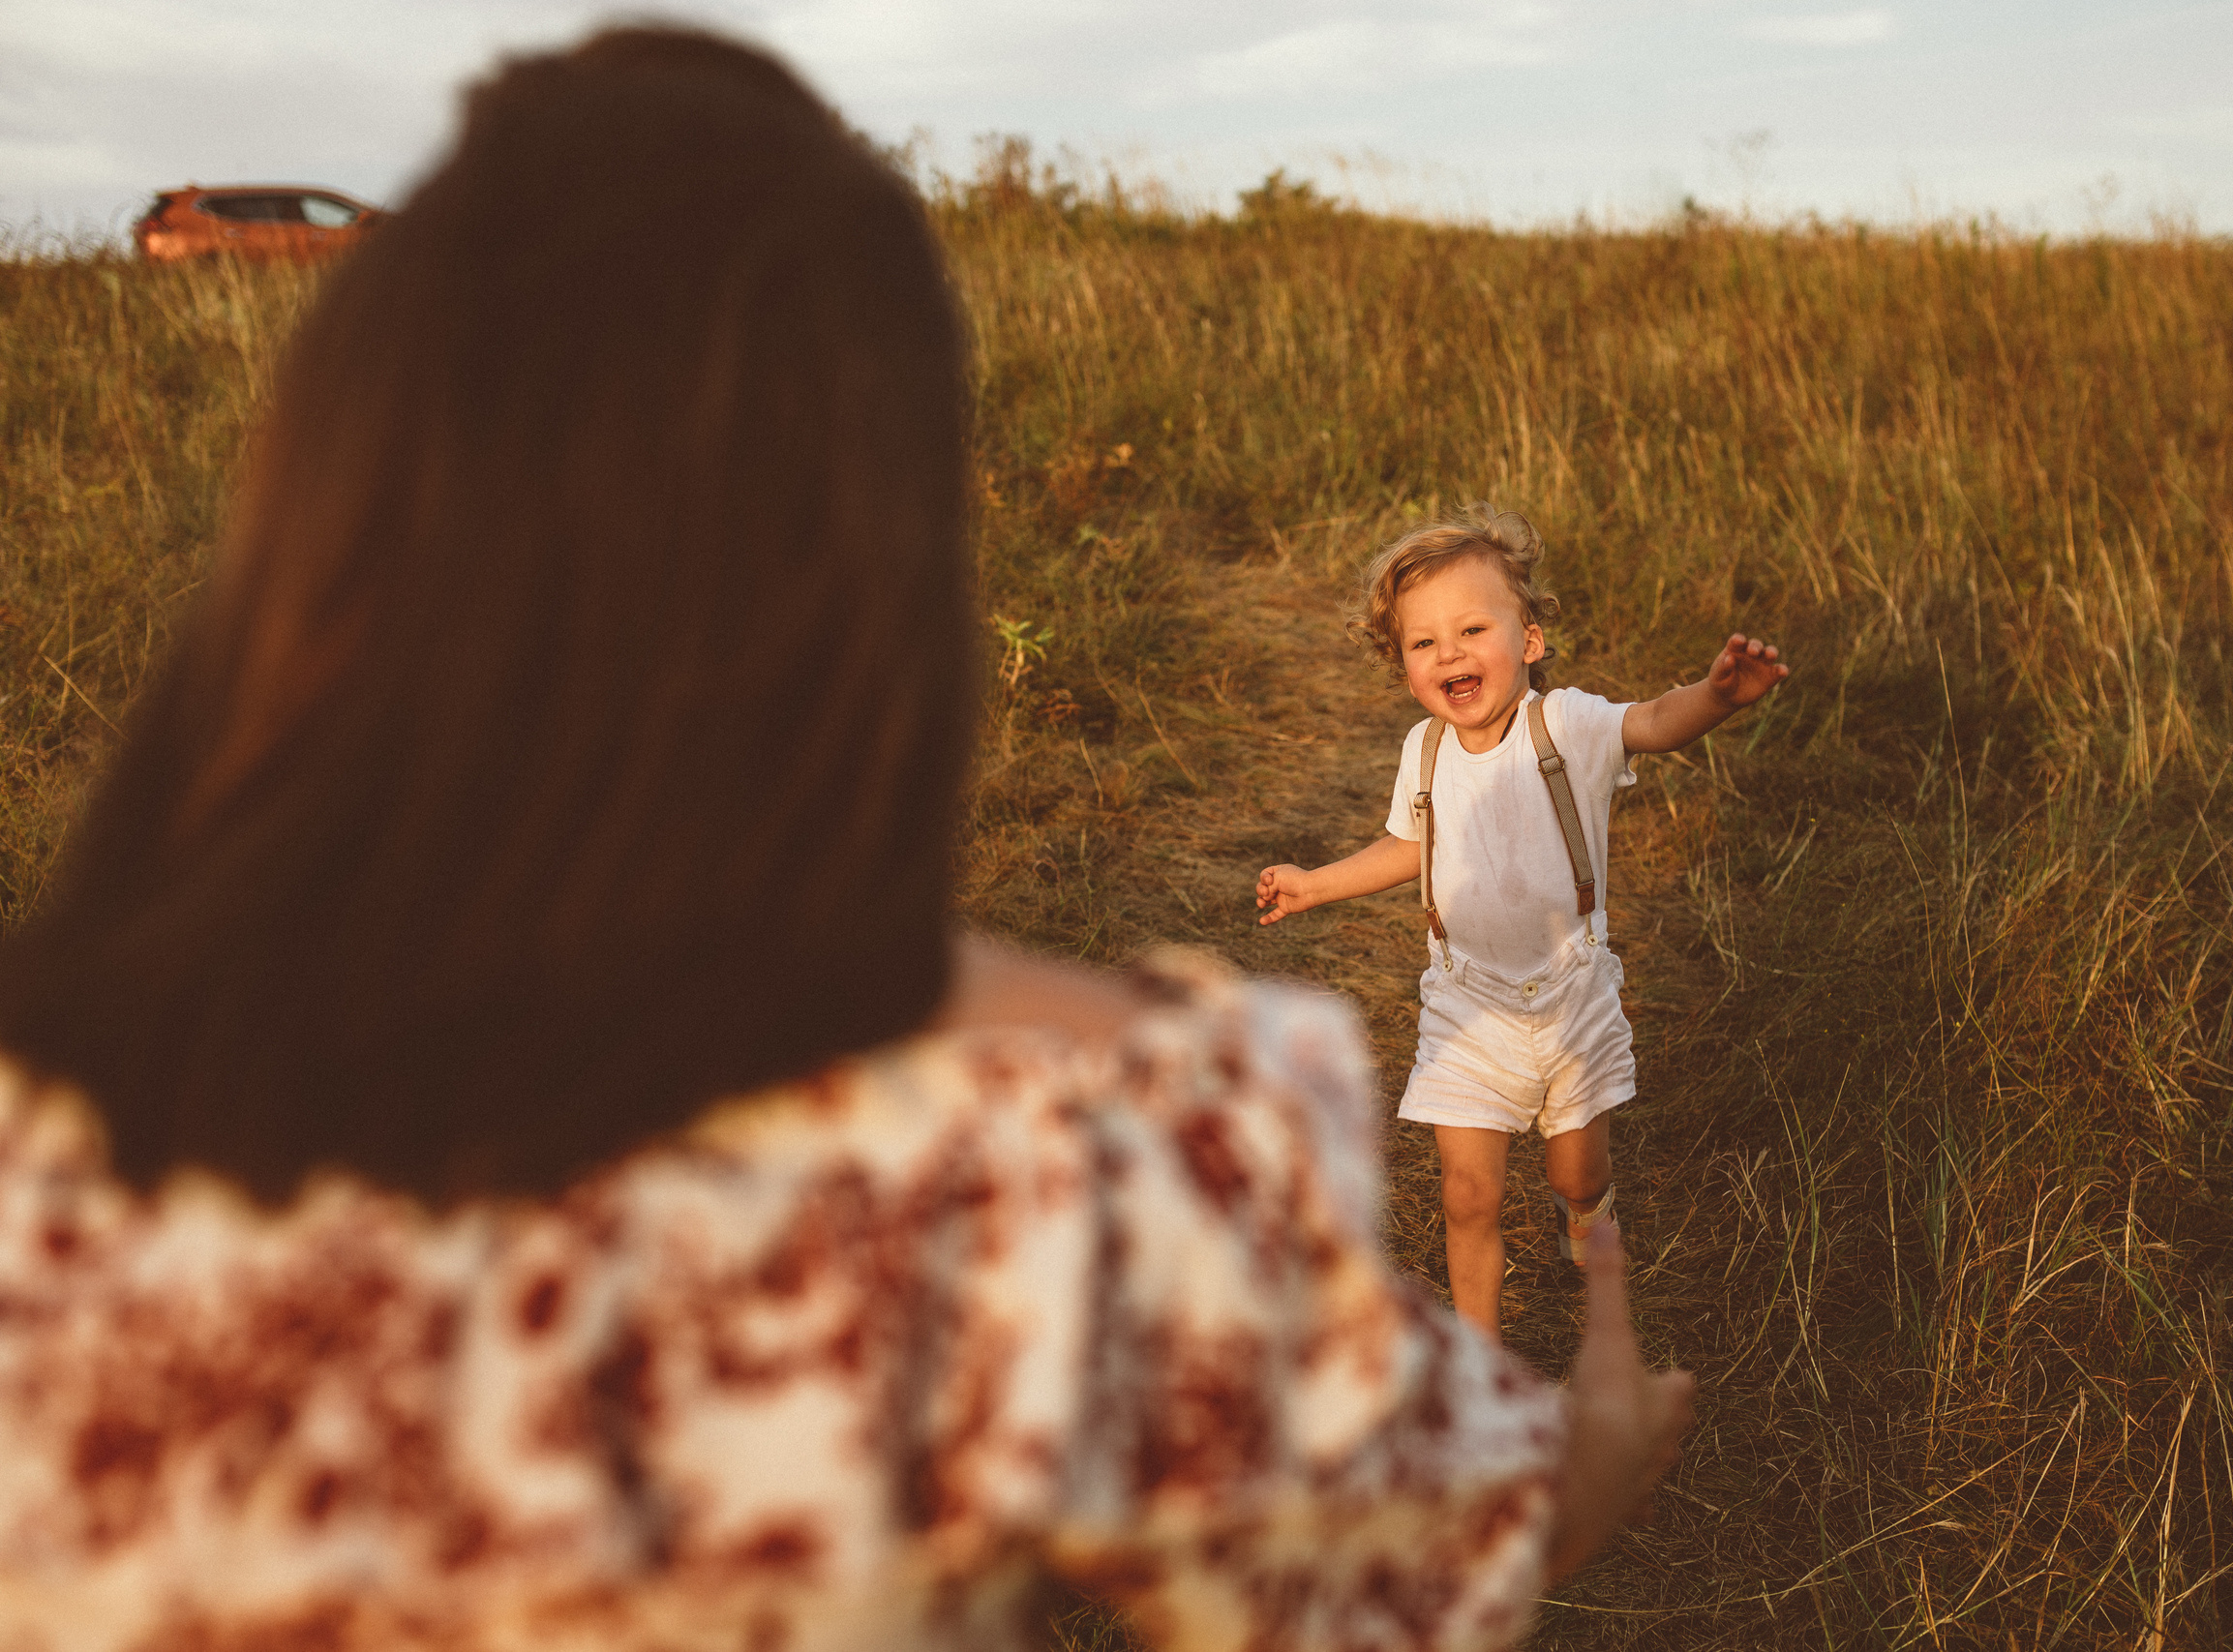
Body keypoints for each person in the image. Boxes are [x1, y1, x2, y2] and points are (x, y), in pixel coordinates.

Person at [0, 28, 1694, 1651]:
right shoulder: (1052, 1136)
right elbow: (1389, 1585)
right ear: (867, 574)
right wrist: (1593, 1453)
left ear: (324, 522)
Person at [1255, 508, 1788, 1337]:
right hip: (1466, 1002)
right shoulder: (1424, 752)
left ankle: (1587, 1212)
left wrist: (1717, 696)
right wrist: (1314, 885)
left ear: (1530, 640)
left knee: (1577, 1171)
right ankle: (1479, 1367)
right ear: (1403, 669)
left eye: (1472, 628)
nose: (1451, 653)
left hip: (1570, 992)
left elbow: (1649, 721)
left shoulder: (1565, 725)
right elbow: (1409, 844)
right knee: (1467, 1195)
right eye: (1423, 643)